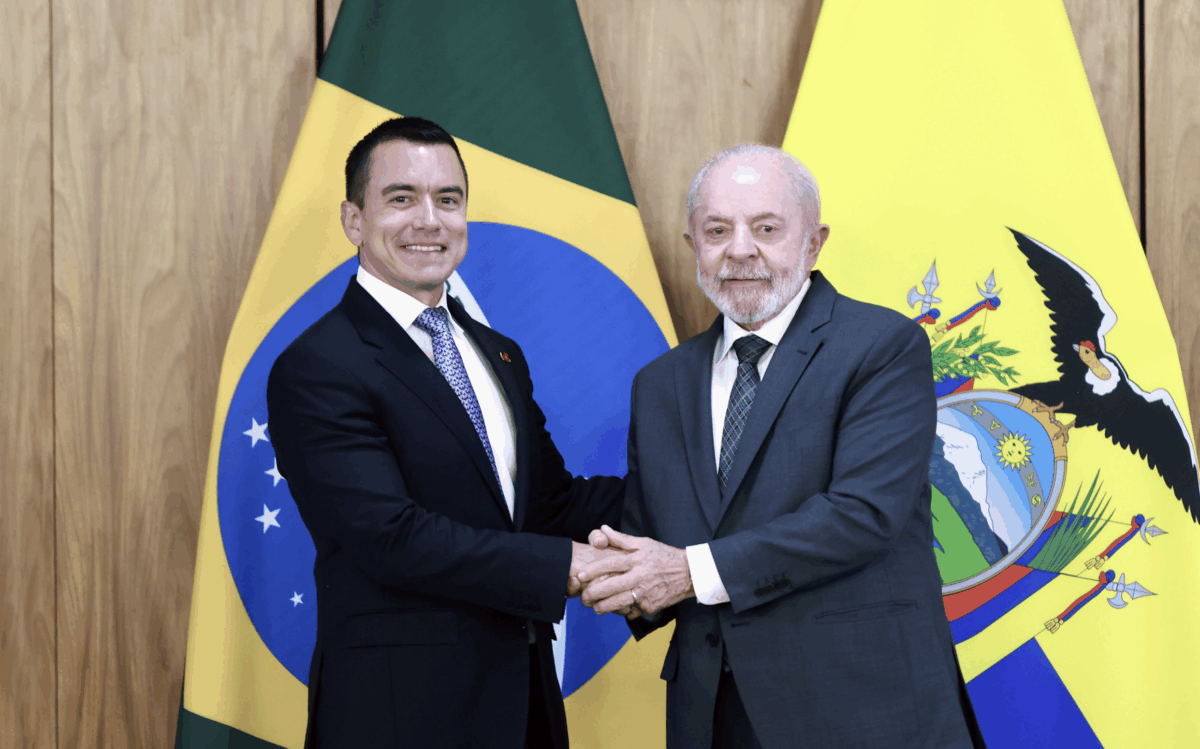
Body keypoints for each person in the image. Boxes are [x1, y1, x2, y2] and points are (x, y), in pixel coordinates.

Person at [576, 144, 987, 748]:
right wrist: (611, 575)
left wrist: (685, 572)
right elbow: (655, 546)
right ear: (693, 246)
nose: (740, 249)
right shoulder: (659, 384)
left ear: (813, 242)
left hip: (861, 710)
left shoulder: (882, 347)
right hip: (713, 715)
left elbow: (861, 515)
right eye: (717, 230)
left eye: (766, 228)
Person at [267, 117, 624, 749]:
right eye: (401, 198)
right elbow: (391, 538)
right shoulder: (318, 365)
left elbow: (549, 505)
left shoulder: (497, 352)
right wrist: (568, 565)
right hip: (401, 713)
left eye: (448, 200)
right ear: (354, 220)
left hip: (524, 704)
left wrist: (706, 489)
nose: (429, 221)